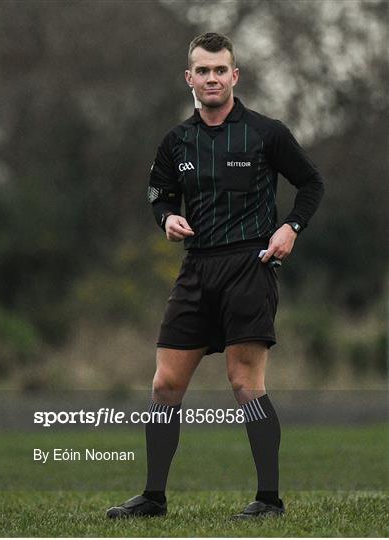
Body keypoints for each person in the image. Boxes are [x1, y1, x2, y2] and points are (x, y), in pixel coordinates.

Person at [107, 32, 324, 520]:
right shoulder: (176, 141)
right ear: (189, 78)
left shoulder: (267, 133)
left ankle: (269, 499)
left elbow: (311, 183)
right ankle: (153, 498)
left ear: (234, 76)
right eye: (202, 71)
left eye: (219, 70)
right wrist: (165, 218)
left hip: (251, 265)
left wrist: (291, 227)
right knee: (164, 385)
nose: (211, 78)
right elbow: (158, 194)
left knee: (244, 382)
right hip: (196, 268)